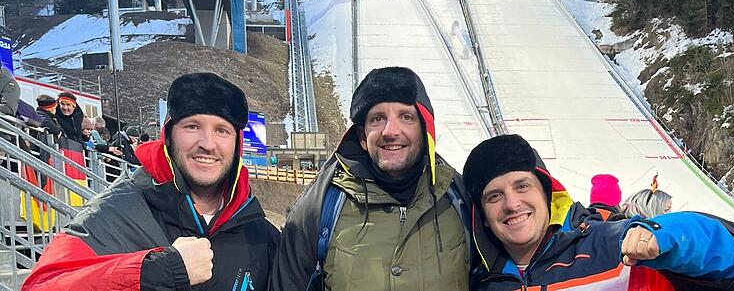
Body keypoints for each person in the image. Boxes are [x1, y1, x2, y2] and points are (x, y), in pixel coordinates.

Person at [23, 72, 280, 290]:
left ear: (237, 145)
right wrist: (159, 272)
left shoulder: (259, 232)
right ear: (168, 135)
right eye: (192, 126)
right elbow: (43, 284)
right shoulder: (117, 211)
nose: (207, 144)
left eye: (221, 131)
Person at [462, 134, 734, 290]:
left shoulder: (608, 247)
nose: (512, 204)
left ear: (546, 193)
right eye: (495, 196)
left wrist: (666, 236)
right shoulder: (482, 282)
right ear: (483, 216)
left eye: (522, 186)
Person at [270, 66, 471, 291]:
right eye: (377, 119)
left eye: (406, 117)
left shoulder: (459, 200)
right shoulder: (320, 207)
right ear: (362, 137)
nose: (390, 131)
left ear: (425, 131)